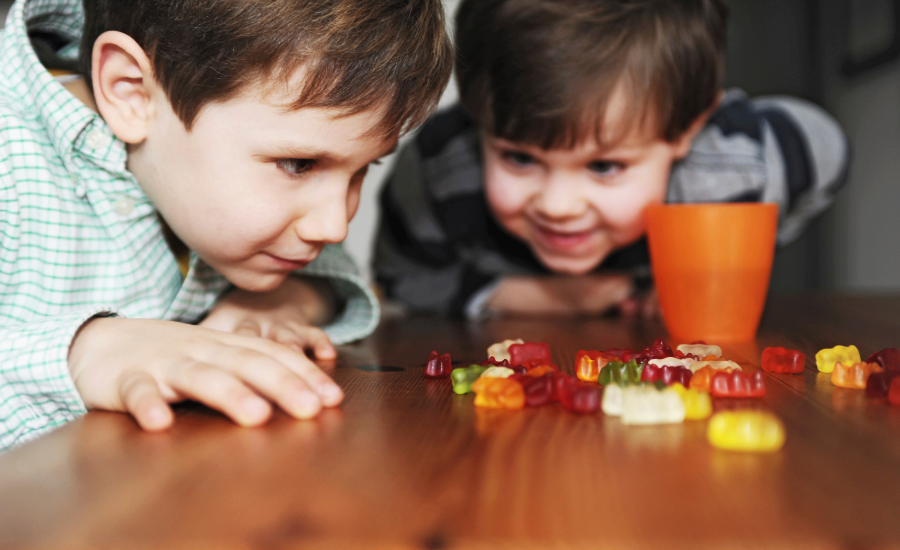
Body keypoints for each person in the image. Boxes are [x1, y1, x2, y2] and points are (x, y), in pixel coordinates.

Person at [0, 0, 452, 450]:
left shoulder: (195, 172)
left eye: (362, 169)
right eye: (298, 164)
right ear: (132, 92)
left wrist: (285, 300)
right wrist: (83, 355)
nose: (334, 226)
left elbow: (337, 274)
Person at [373, 0, 849, 318]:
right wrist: (540, 298)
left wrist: (721, 263)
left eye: (604, 167)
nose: (559, 206)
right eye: (519, 157)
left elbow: (828, 148)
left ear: (685, 130)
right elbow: (402, 276)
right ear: (478, 119)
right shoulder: (442, 166)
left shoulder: (728, 166)